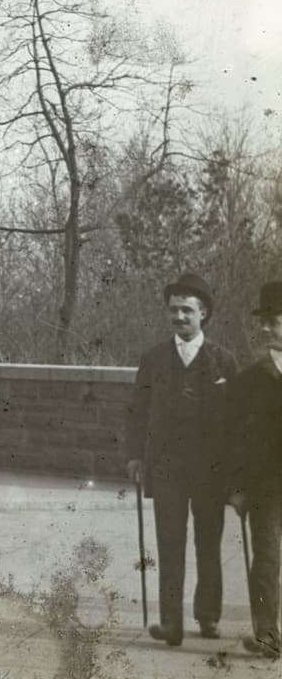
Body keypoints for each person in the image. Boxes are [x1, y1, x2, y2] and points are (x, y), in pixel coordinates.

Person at [126, 273, 236, 646]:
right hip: (167, 467)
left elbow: (236, 420)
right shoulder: (154, 359)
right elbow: (137, 410)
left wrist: (235, 471)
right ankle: (171, 622)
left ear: (203, 313)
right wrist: (134, 456)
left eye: (187, 310)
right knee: (170, 543)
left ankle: (208, 616)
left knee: (209, 543)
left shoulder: (223, 360)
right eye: (174, 310)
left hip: (210, 469)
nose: (179, 317)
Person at [228, 281, 282, 660]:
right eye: (262, 321)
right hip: (266, 487)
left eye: (273, 320)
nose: (264, 328)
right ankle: (267, 635)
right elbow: (233, 438)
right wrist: (236, 487)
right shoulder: (250, 379)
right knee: (266, 559)